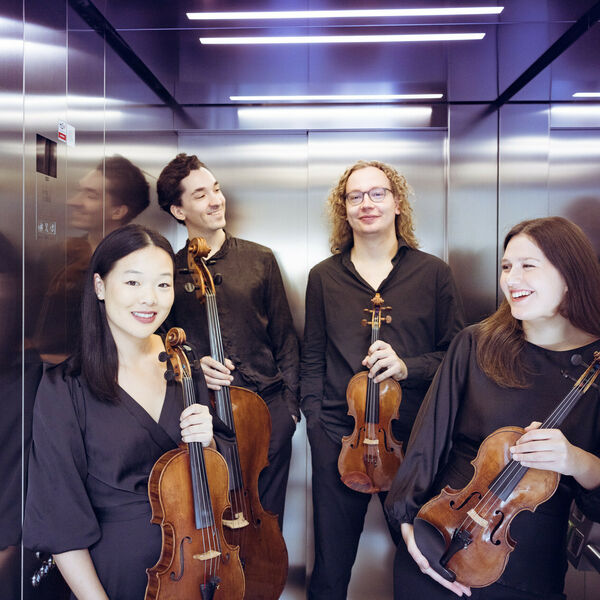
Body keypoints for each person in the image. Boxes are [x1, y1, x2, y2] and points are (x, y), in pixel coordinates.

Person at [385, 216, 600, 600]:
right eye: (506, 266)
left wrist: (574, 460)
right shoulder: (474, 344)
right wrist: (408, 530)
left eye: (528, 265)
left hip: (529, 569)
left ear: (570, 274)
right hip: (438, 544)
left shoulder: (594, 366)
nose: (512, 279)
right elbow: (426, 445)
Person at [23, 224, 217, 599]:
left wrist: (207, 442)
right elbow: (60, 519)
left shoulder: (184, 364)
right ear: (99, 286)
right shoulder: (65, 387)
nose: (150, 298)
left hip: (198, 569)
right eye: (132, 282)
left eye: (163, 284)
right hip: (114, 578)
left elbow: (211, 481)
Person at [301, 160, 464, 599]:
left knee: (422, 560)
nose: (366, 203)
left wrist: (409, 366)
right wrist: (316, 425)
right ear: (344, 209)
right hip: (339, 437)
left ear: (397, 203)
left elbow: (457, 356)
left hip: (413, 440)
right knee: (331, 566)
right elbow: (312, 357)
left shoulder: (433, 273)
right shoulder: (323, 277)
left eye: (377, 193)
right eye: (355, 196)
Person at [156, 153, 299, 527]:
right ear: (178, 210)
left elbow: (285, 338)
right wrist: (194, 366)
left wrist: (290, 410)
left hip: (268, 412)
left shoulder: (260, 259)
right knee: (213, 522)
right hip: (204, 418)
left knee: (267, 522)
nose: (216, 200)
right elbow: (159, 345)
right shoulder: (168, 272)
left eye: (216, 189)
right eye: (200, 195)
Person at [34, 155, 150, 362]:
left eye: (90, 195)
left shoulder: (142, 263)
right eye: (80, 191)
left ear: (118, 211)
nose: (73, 202)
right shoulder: (57, 255)